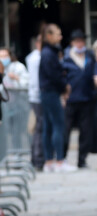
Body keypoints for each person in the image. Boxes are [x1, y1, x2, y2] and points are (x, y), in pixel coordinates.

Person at [39, 23, 76, 173]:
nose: (60, 37)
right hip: (51, 92)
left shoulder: (48, 52)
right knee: (58, 125)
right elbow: (54, 75)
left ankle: (49, 161)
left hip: (47, 92)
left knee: (48, 127)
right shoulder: (48, 53)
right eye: (57, 34)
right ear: (49, 36)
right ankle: (59, 161)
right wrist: (64, 87)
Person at [63, 29, 95, 168]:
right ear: (72, 42)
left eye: (82, 40)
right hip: (70, 99)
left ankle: (82, 160)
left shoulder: (89, 55)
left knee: (85, 131)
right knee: (66, 129)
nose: (80, 43)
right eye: (77, 41)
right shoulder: (65, 57)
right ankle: (62, 158)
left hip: (86, 98)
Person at [0, 47, 29, 149]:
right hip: (3, 107)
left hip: (19, 104)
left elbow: (27, 83)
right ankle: (4, 156)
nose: (3, 59)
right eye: (1, 56)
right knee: (3, 131)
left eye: (5, 56)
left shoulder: (18, 67)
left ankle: (18, 153)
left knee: (18, 130)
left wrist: (16, 78)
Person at [25, 34, 44, 171]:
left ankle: (36, 157)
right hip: (38, 97)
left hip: (36, 96)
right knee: (38, 127)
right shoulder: (36, 58)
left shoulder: (31, 57)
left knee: (37, 127)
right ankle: (37, 158)